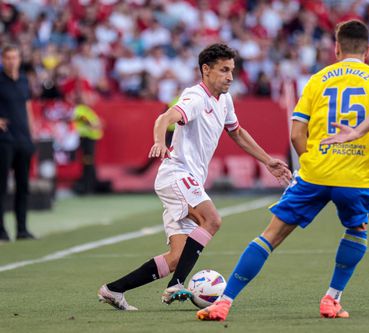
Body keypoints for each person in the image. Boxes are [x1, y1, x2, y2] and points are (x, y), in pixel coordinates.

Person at [197, 20, 369, 321]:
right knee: (356, 230)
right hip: (355, 175)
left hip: (314, 172)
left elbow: (296, 135)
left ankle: (223, 302)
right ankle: (331, 299)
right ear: (368, 50)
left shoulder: (317, 80)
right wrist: (357, 132)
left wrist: (316, 159)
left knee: (270, 236)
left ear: (336, 48)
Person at [97, 43, 291, 310]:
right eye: (224, 70)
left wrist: (268, 161)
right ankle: (176, 286)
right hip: (176, 173)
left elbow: (236, 132)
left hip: (187, 180)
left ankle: (113, 290)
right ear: (206, 70)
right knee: (212, 219)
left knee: (177, 257)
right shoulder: (195, 97)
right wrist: (159, 142)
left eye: (232, 70)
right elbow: (164, 118)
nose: (230, 77)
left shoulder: (225, 99)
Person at [0, 45, 36, 242]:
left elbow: (27, 106)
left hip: (23, 138)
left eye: (14, 58)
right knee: (2, 186)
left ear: (19, 59)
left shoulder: (23, 80)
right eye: (8, 58)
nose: (11, 61)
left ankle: (22, 228)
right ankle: (1, 230)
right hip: (4, 139)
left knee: (23, 186)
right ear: (2, 59)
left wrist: (32, 134)